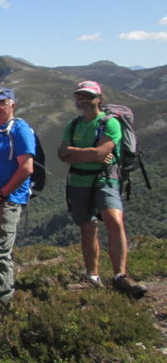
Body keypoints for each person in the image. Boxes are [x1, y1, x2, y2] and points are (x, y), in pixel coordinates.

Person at [57, 81, 147, 298]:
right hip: (79, 181)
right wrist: (90, 153)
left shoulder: (111, 123)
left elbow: (101, 153)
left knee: (114, 221)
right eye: (80, 96)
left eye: (88, 96)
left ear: (99, 98)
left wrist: (74, 153)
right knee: (87, 227)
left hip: (105, 179)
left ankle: (120, 276)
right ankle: (92, 276)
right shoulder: (73, 124)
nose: (83, 100)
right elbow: (61, 153)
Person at [0, 87, 35, 310]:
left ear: (12, 105)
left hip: (7, 200)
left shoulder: (19, 129)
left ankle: (2, 303)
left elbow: (26, 168)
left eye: (1, 103)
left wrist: (1, 194)